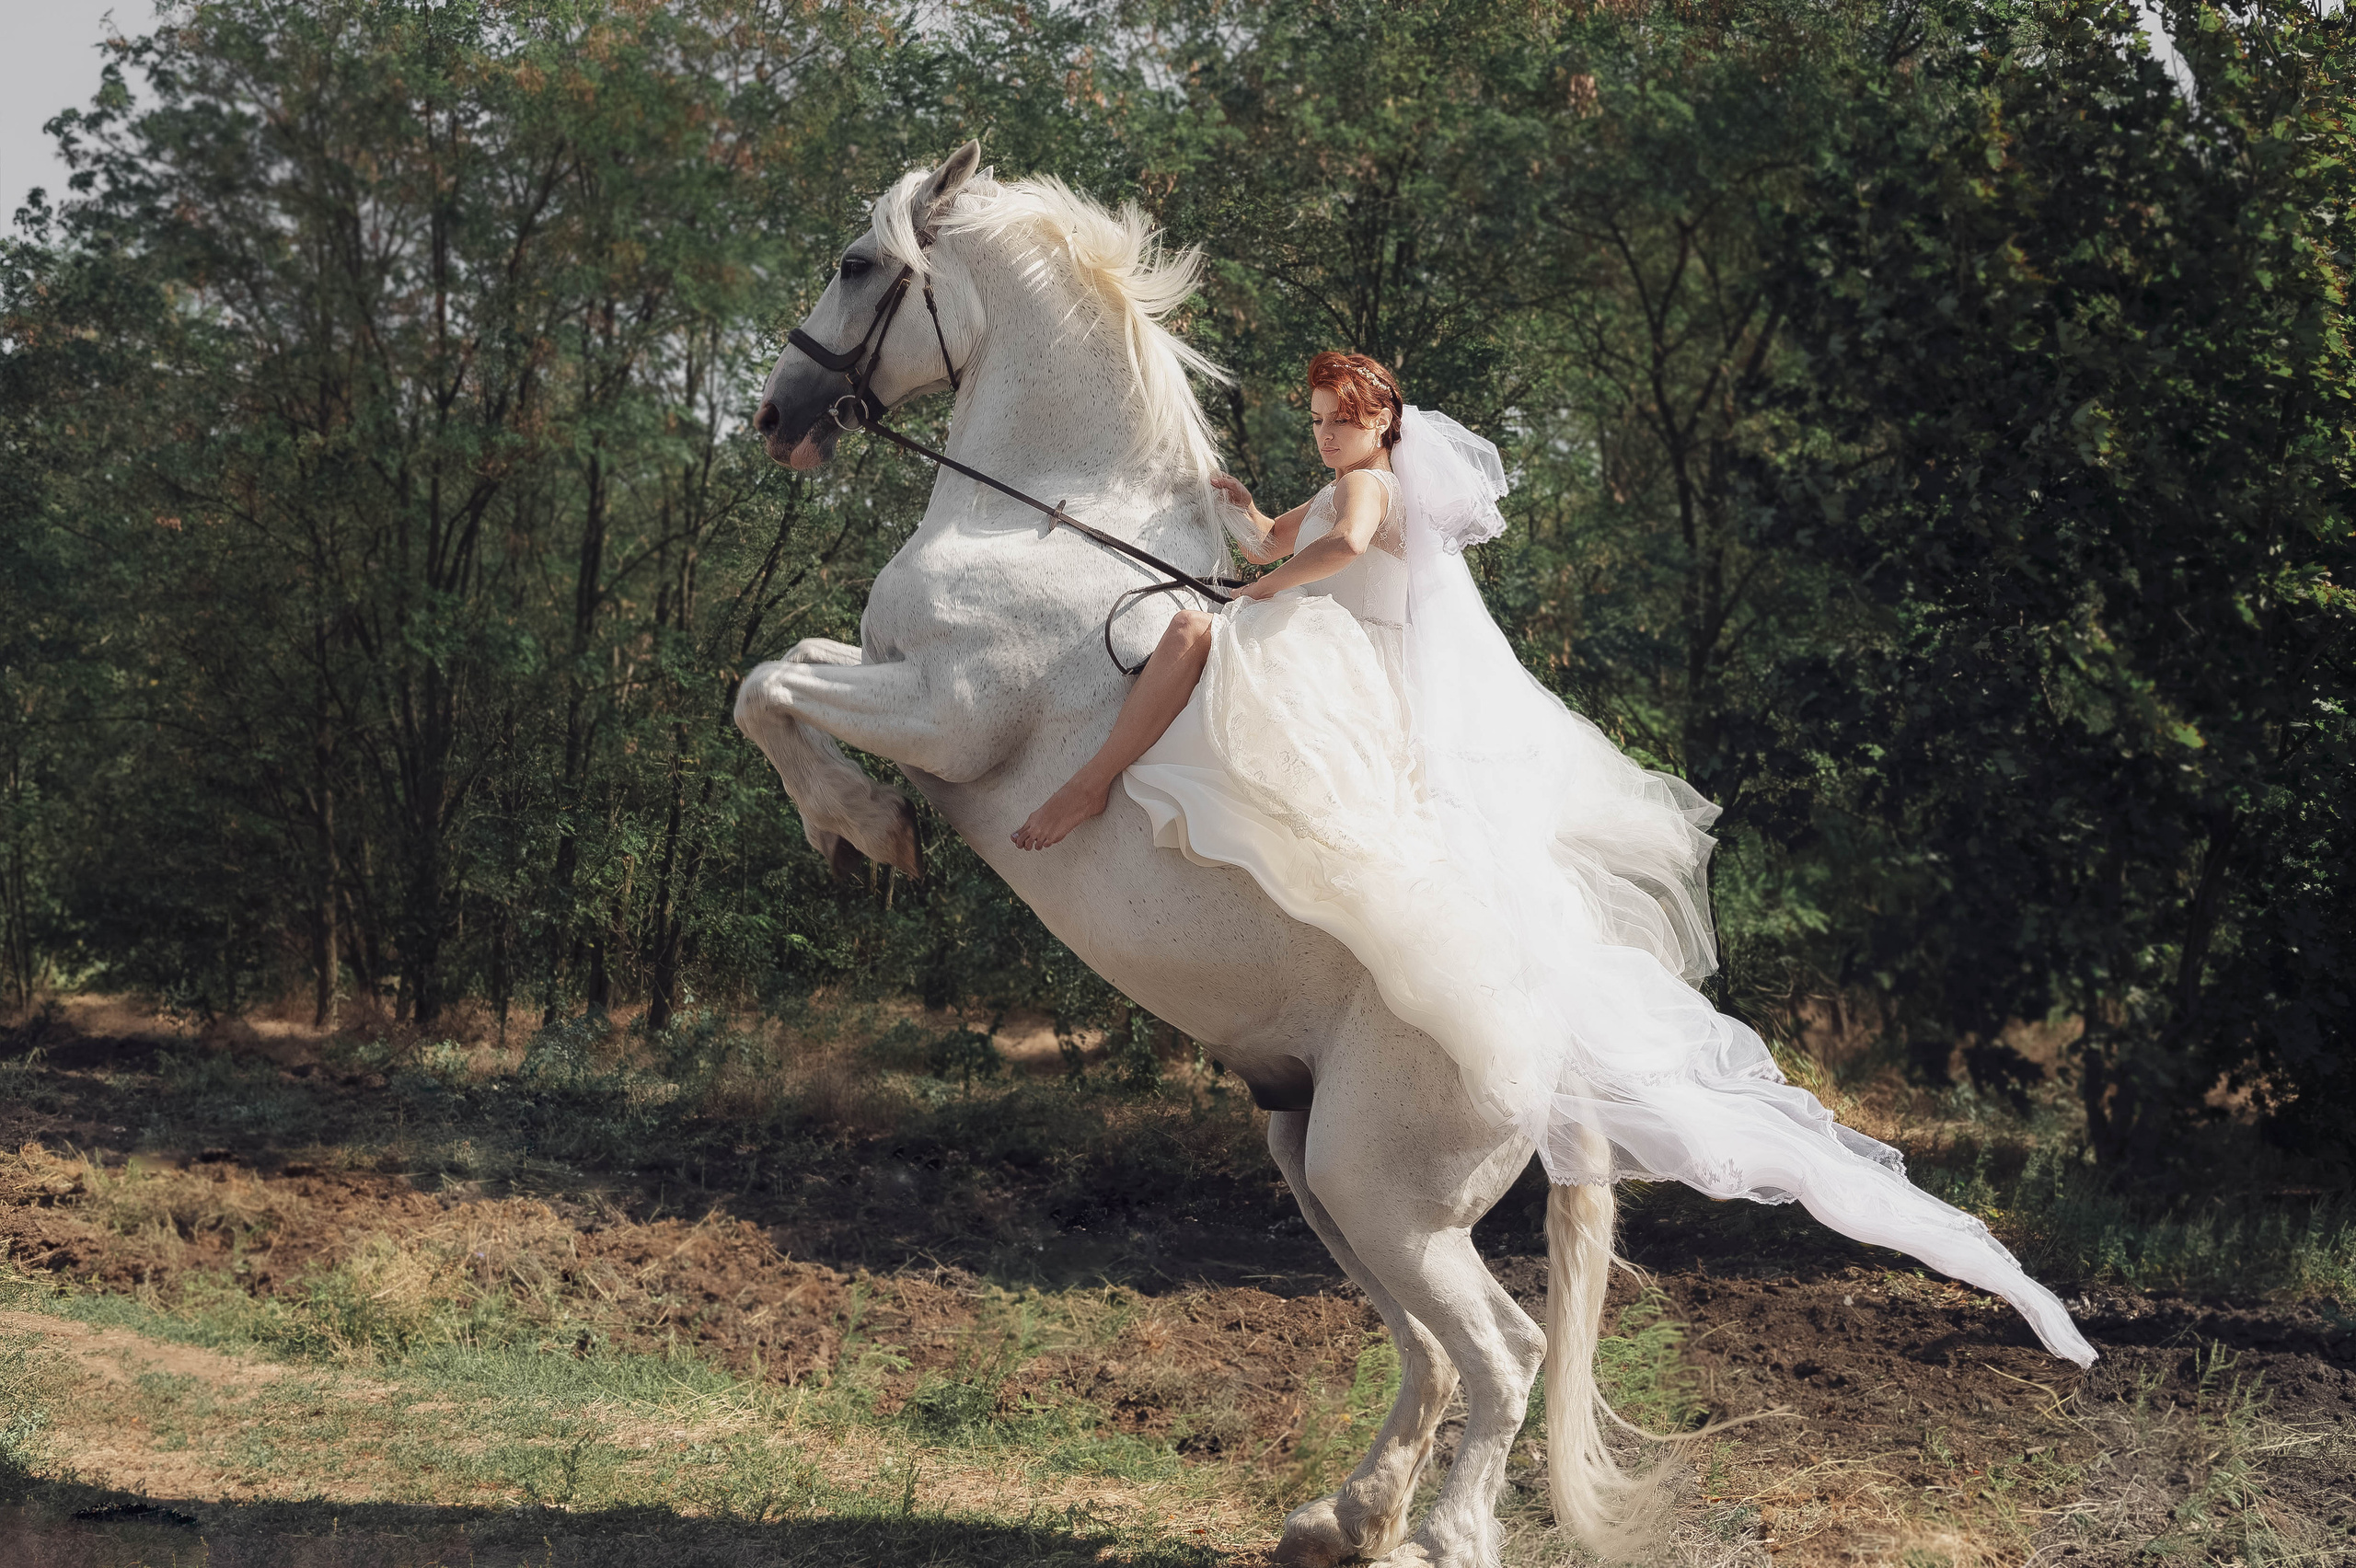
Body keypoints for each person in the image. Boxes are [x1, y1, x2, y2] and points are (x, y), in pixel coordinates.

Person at [1034, 350, 2096, 1366]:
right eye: (1315, 422)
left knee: (1187, 638)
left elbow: (1340, 553)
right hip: (1324, 646)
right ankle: (1128, 796)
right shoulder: (1341, 484)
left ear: (1384, 425)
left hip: (1343, 660)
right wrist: (1232, 510)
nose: (1325, 437)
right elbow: (1274, 537)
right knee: (1196, 650)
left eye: (1340, 421)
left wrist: (1258, 594)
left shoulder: (1375, 491)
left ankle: (1087, 787)